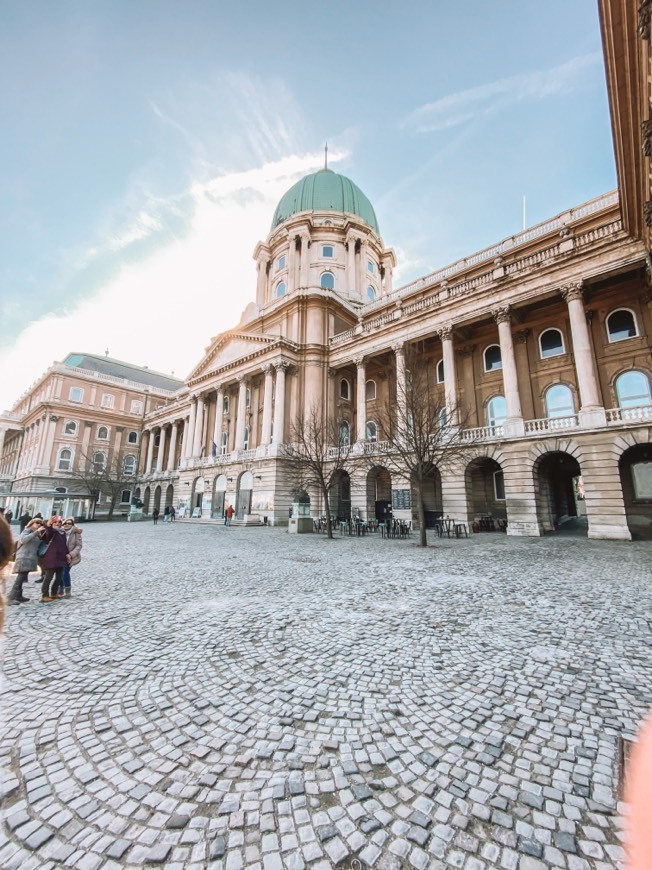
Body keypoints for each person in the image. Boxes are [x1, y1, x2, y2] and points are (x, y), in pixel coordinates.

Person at [8, 517, 43, 605]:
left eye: (41, 523)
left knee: (23, 576)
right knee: (20, 577)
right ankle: (10, 597)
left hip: (30, 558)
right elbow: (23, 540)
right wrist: (37, 532)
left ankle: (19, 595)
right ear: (32, 523)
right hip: (23, 557)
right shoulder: (27, 530)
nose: (39, 524)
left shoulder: (37, 534)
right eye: (37, 522)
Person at [39, 516, 70, 602]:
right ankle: (44, 595)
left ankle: (54, 593)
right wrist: (48, 525)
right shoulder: (51, 531)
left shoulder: (63, 533)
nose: (57, 524)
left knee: (59, 577)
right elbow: (49, 533)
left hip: (61, 558)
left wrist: (67, 554)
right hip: (51, 557)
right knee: (48, 577)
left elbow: (64, 545)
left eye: (59, 522)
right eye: (55, 522)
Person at [61, 518, 82, 598]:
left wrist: (71, 555)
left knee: (65, 572)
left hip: (71, 557)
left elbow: (79, 545)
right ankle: (60, 590)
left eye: (69, 523)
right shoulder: (60, 532)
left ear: (72, 525)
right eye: (64, 523)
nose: (66, 525)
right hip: (60, 556)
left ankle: (67, 591)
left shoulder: (76, 533)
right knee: (60, 573)